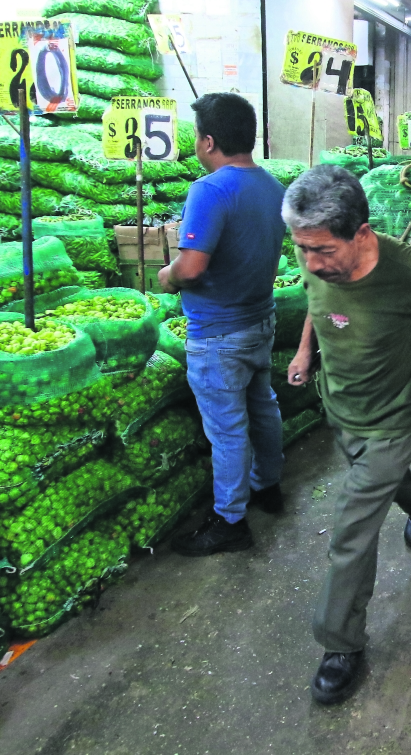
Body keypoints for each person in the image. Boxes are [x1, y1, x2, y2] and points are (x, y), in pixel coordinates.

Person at [283, 165, 411, 705]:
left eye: (324, 250)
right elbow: (317, 301)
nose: (313, 262)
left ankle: (340, 643)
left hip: (393, 417)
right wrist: (305, 350)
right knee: (382, 488)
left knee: (351, 527)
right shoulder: (316, 257)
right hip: (340, 403)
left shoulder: (409, 273)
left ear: (362, 233)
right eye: (303, 249)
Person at [157, 93, 287, 557]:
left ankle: (230, 520)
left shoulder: (209, 191)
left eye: (196, 136)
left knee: (228, 430)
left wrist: (165, 276)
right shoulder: (272, 187)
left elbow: (191, 268)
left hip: (218, 334)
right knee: (263, 407)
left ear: (208, 141)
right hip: (259, 321)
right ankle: (268, 487)